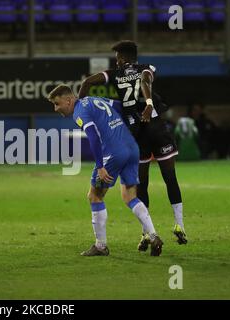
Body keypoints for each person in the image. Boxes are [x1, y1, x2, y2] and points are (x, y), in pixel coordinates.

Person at [78, 40, 187, 248]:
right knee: (170, 177)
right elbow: (146, 82)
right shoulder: (147, 68)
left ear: (124, 58)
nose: (117, 61)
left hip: (137, 133)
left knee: (140, 184)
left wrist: (81, 105)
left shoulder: (114, 74)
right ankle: (179, 225)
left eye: (118, 57)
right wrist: (148, 104)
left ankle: (146, 234)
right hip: (156, 128)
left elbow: (88, 82)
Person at [48, 84, 164, 256]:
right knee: (129, 196)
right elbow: (120, 106)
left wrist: (101, 166)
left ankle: (101, 246)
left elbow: (93, 137)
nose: (56, 108)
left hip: (113, 152)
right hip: (132, 148)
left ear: (69, 100)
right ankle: (153, 236)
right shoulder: (95, 100)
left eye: (57, 104)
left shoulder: (79, 112)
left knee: (94, 196)